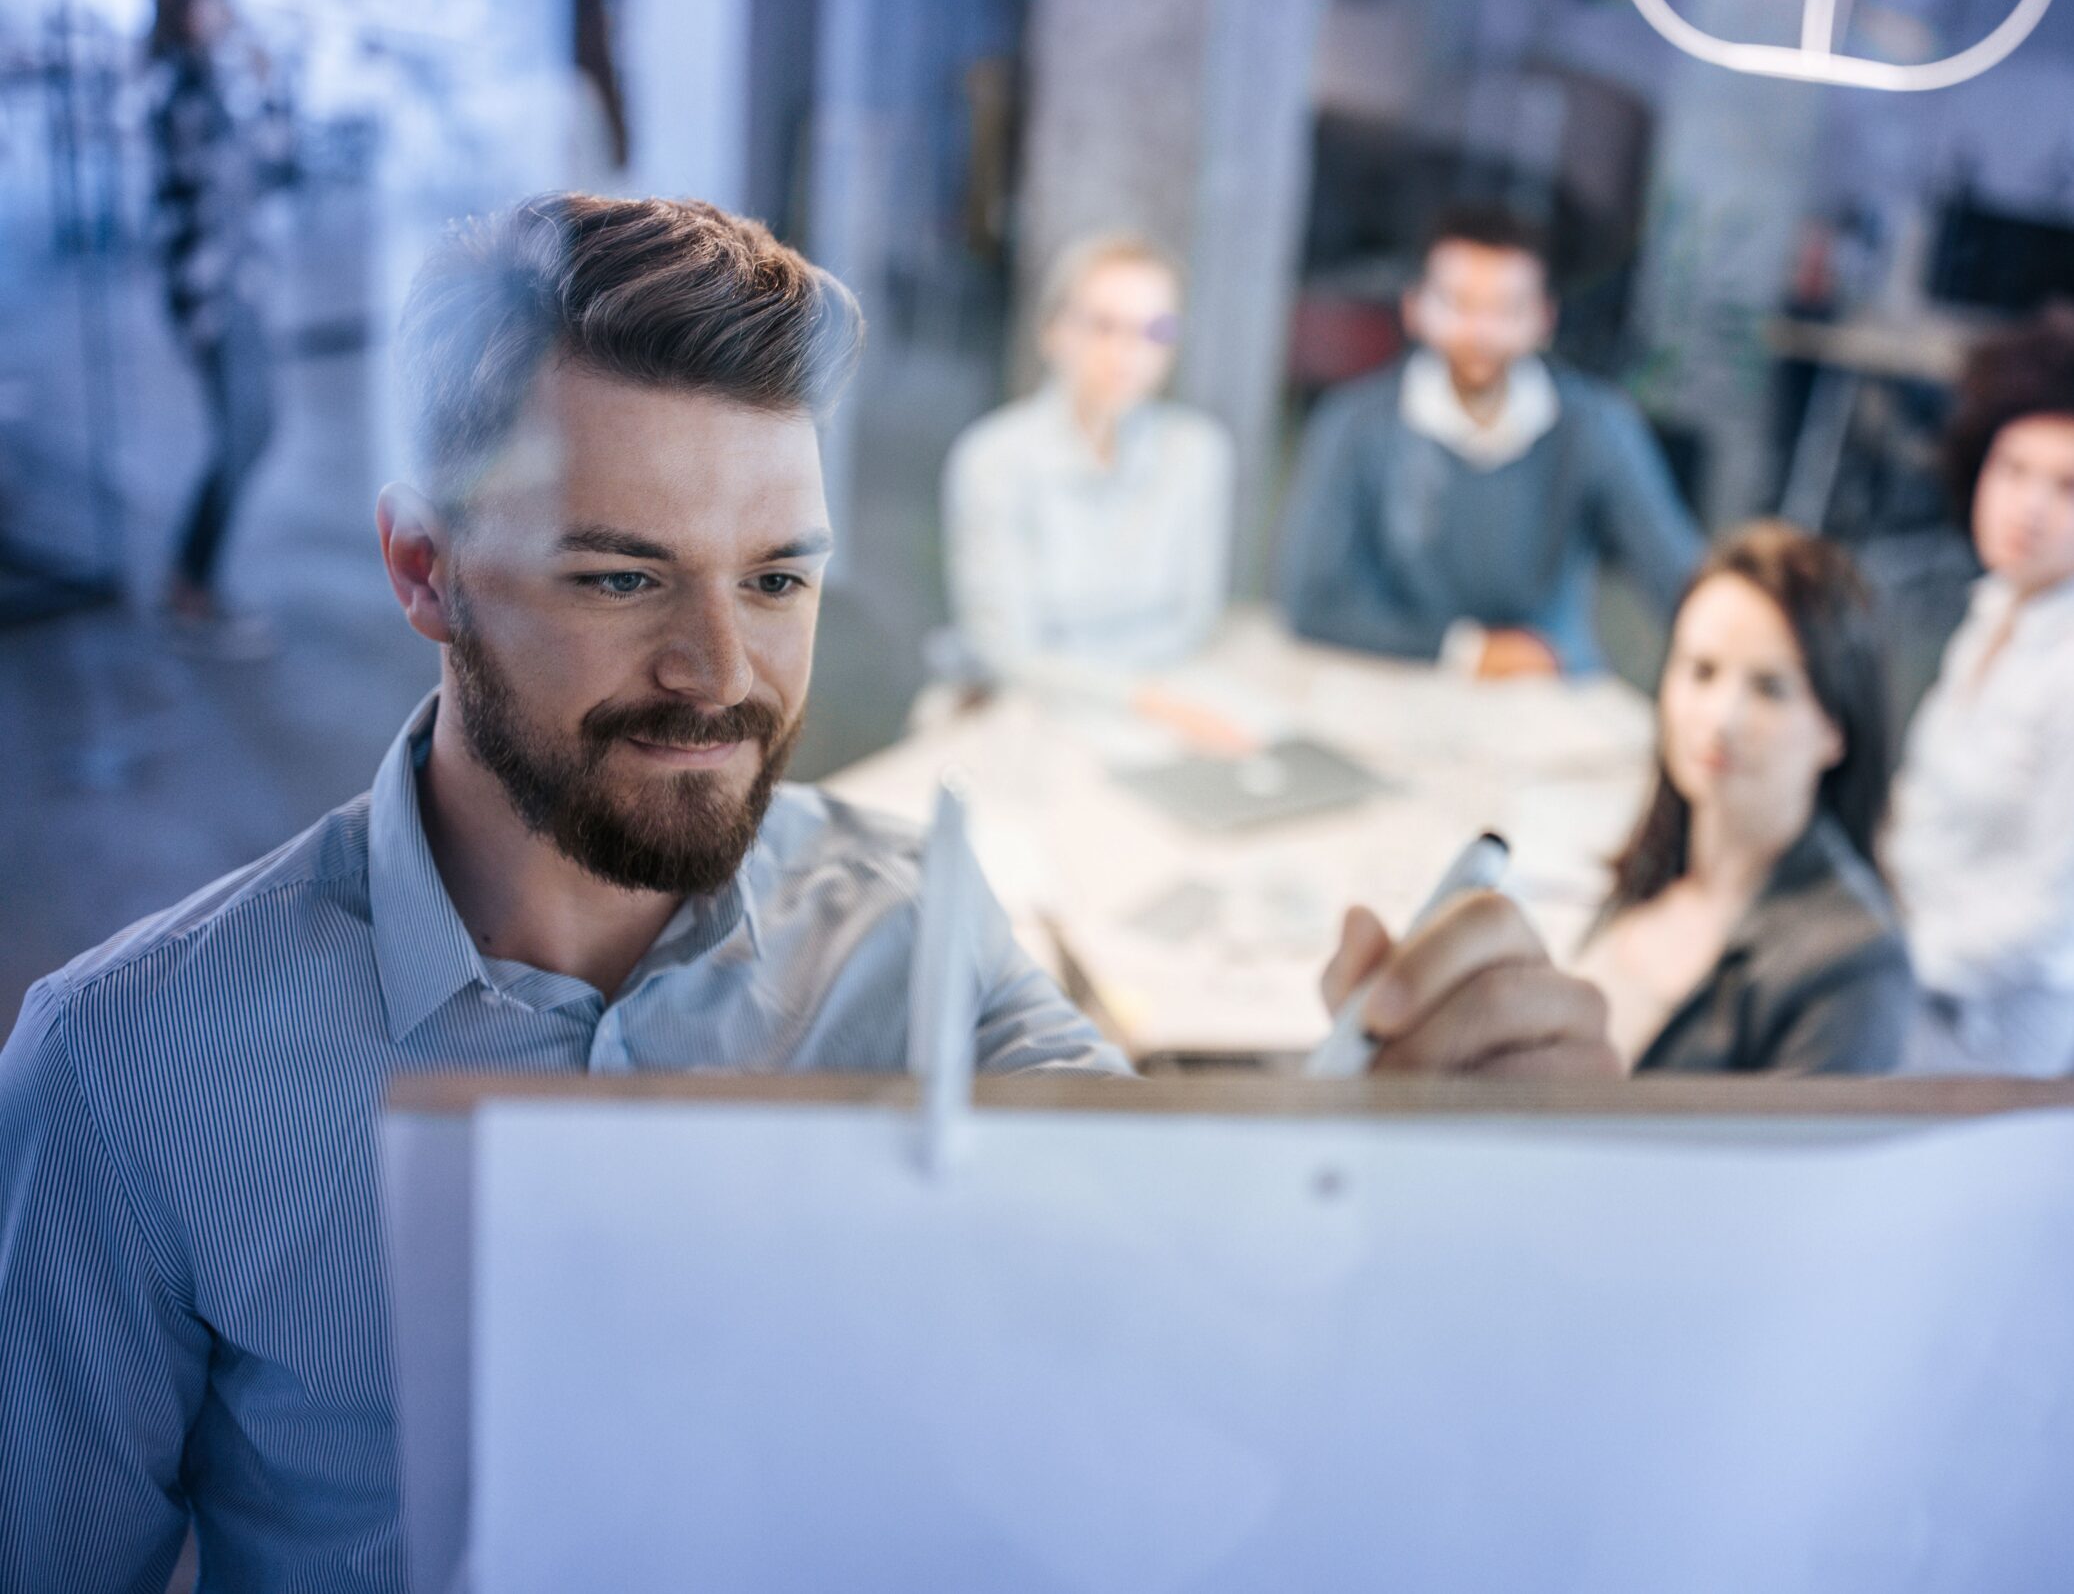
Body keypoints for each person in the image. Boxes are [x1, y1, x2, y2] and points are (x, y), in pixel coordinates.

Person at [0, 194, 1614, 1592]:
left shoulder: (924, 927)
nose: (721, 673)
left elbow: (1174, 1300)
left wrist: (1426, 1197)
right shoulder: (121, 1076)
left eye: (777, 577)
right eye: (620, 576)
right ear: (423, 569)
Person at [1277, 204, 1701, 677]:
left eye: (1506, 308)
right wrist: (1469, 652)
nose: (1481, 331)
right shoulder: (1355, 424)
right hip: (1399, 679)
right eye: (1458, 303)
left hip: (1548, 681)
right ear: (1414, 307)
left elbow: (1681, 577)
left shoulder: (1595, 424)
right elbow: (1313, 602)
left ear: (1543, 317)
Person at [1574, 521, 1914, 1072]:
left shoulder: (1854, 966)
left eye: (1770, 689)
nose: (1720, 719)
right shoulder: (1657, 858)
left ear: (1836, 729)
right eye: (1701, 672)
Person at [1887, 308, 2074, 1075]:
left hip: (1982, 1030)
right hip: (1910, 958)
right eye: (2012, 469)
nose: (2027, 507)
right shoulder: (1996, 606)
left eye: (2066, 485)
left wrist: (1890, 956)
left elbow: (2045, 917)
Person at [942, 234, 1234, 692]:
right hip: (1022, 707)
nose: (1129, 353)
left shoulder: (1198, 452)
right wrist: (1133, 696)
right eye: (1104, 326)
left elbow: (1194, 620)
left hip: (1162, 699)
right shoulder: (993, 459)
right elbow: (1007, 652)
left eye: (1155, 331)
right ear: (1052, 331)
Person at [145, 0, 291, 657]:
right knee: (242, 435)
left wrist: (265, 92)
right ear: (185, 6)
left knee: (255, 429)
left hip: (237, 288)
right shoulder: (181, 89)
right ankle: (192, 585)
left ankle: (190, 577)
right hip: (215, 296)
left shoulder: (208, 82)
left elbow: (270, 168)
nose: (225, 11)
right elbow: (222, 184)